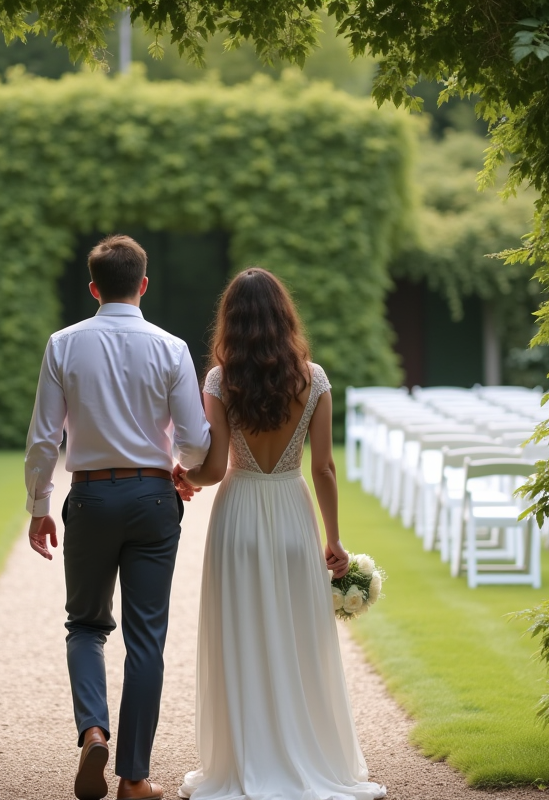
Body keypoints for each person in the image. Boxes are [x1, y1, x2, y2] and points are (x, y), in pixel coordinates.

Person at [173, 267, 387, 800]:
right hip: (293, 513)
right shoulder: (312, 380)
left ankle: (245, 759)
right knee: (299, 639)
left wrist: (184, 478)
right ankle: (305, 752)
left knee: (240, 634)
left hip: (239, 515)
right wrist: (333, 538)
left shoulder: (222, 381)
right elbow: (324, 470)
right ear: (284, 317)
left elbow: (214, 466)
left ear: (232, 321)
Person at [24, 234, 210, 800]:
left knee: (84, 625)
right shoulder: (172, 347)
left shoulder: (63, 344)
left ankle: (94, 731)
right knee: (146, 638)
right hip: (155, 499)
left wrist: (39, 507)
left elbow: (41, 440)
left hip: (90, 496)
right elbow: (198, 438)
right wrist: (184, 469)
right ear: (144, 284)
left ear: (93, 287)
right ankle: (134, 778)